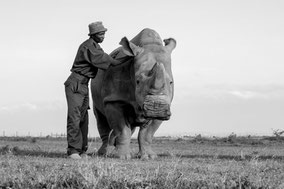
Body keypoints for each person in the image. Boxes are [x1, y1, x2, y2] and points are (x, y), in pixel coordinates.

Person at [64, 21, 122, 159]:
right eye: (101, 34)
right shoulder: (89, 47)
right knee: (75, 117)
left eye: (104, 33)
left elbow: (105, 56)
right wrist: (123, 61)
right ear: (94, 35)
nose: (103, 36)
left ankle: (82, 151)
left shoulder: (96, 46)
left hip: (84, 85)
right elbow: (105, 60)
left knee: (83, 118)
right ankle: (73, 151)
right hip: (76, 83)